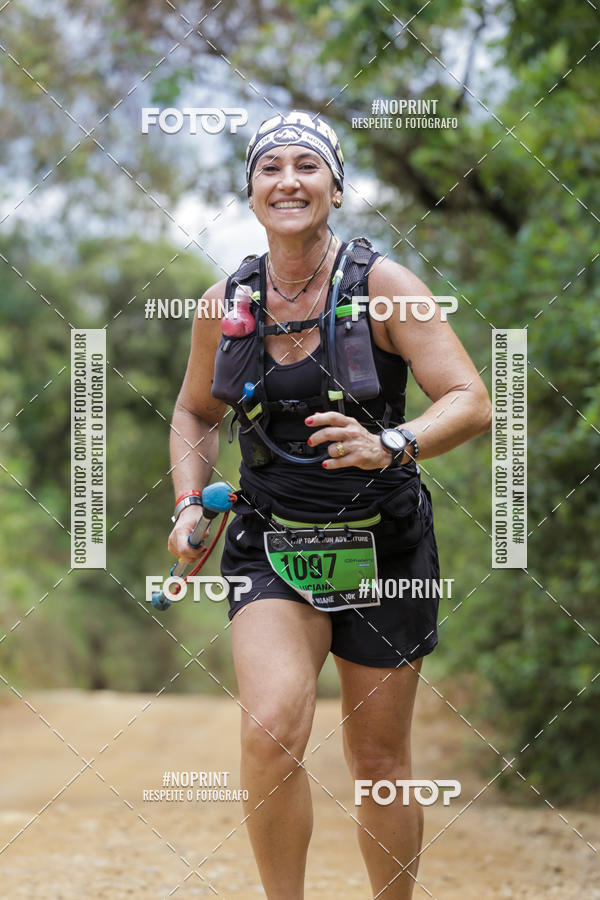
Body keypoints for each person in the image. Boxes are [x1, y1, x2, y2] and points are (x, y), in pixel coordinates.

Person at [167, 110, 491, 899]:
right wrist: (188, 501)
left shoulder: (387, 288)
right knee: (271, 730)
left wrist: (393, 442)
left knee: (377, 761)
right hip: (272, 542)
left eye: (307, 166)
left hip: (386, 546)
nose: (288, 181)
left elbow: (469, 399)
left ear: (336, 189)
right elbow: (194, 412)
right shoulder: (225, 301)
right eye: (270, 168)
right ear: (251, 192)